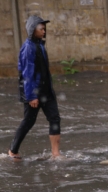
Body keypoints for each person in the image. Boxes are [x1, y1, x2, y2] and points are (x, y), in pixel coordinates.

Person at [8, 15, 62, 161]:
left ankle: (56, 154)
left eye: (45, 29)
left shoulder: (40, 45)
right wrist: (31, 95)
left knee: (55, 118)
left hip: (46, 91)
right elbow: (27, 74)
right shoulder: (28, 48)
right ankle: (13, 150)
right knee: (29, 121)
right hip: (34, 92)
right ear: (33, 30)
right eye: (41, 29)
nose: (44, 31)